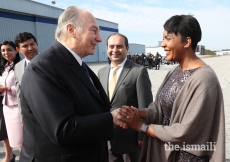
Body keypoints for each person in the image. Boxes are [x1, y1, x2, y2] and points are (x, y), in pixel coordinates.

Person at [19, 6, 126, 162]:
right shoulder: (43, 68)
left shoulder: (76, 64)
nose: (99, 39)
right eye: (94, 31)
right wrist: (111, 119)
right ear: (71, 30)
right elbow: (63, 130)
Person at [118, 15, 225, 161]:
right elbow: (160, 109)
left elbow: (186, 131)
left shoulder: (205, 78)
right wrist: (138, 113)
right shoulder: (174, 71)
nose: (163, 44)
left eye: (168, 39)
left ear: (187, 42)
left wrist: (141, 127)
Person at [98, 33, 153, 162]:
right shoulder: (102, 72)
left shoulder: (138, 72)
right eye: (111, 46)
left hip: (130, 140)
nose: (115, 50)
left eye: (119, 46)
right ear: (106, 48)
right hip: (107, 138)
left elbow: (146, 106)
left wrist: (142, 135)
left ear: (127, 48)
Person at [0, 41, 22, 162]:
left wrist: (7, 88)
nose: (6, 53)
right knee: (13, 138)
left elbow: (24, 87)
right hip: (6, 106)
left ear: (16, 50)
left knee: (21, 140)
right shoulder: (4, 67)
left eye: (9, 50)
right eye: (3, 50)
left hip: (17, 107)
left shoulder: (21, 66)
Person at [14, 32, 39, 122]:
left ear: (37, 44)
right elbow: (20, 95)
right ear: (18, 49)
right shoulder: (17, 67)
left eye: (32, 44)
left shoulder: (51, 61)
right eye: (25, 46)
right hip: (31, 118)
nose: (30, 48)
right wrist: (22, 118)